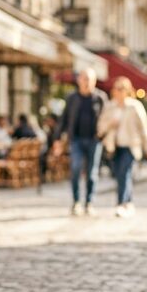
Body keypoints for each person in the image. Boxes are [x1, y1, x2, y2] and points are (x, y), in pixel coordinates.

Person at [98, 77, 147, 218]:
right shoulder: (109, 106)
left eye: (121, 88)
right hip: (113, 147)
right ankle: (128, 202)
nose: (117, 91)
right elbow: (100, 128)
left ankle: (121, 204)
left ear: (127, 90)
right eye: (116, 88)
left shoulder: (135, 106)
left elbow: (144, 128)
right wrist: (110, 124)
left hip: (130, 146)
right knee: (120, 175)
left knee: (124, 173)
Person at [55, 68, 107, 216]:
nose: (86, 83)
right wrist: (57, 139)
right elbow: (63, 120)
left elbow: (106, 119)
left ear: (94, 81)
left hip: (94, 140)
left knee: (92, 173)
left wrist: (105, 136)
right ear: (79, 80)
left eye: (89, 80)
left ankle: (89, 202)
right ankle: (76, 201)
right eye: (84, 79)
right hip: (76, 139)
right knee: (76, 168)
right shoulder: (72, 98)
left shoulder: (100, 98)